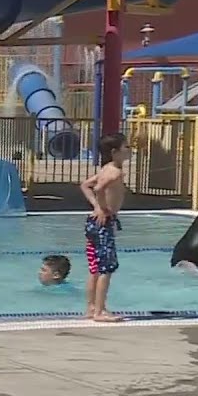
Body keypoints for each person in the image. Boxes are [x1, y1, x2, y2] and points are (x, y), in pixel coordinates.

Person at [80, 132, 129, 322]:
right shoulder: (115, 172)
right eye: (126, 147)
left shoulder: (105, 169)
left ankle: (91, 308)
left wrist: (95, 206)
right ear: (115, 152)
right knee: (106, 269)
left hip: (93, 223)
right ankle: (100, 312)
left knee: (95, 268)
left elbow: (85, 185)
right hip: (103, 224)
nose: (129, 150)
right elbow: (98, 189)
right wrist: (102, 208)